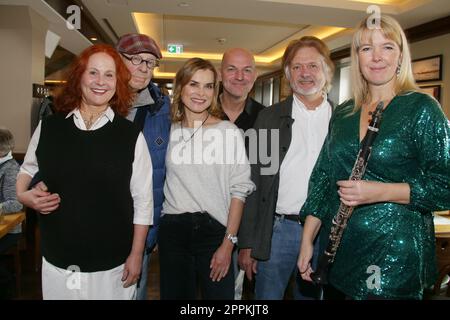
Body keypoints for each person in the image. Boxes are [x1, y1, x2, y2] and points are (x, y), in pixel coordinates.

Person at [298, 15, 450, 300]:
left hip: (394, 258)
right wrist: (307, 239)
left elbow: (446, 186)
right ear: (357, 57)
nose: (377, 57)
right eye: (367, 48)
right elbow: (322, 178)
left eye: (387, 47)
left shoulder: (421, 108)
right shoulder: (344, 112)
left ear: (401, 55)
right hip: (340, 254)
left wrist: (380, 191)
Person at [16, 44, 153, 300]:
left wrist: (136, 255)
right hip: (59, 260)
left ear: (118, 83)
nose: (100, 82)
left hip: (112, 265)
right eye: (93, 73)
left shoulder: (130, 136)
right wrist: (24, 195)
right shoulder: (50, 127)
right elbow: (27, 169)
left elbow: (143, 202)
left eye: (109, 75)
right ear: (79, 77)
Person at [238, 36, 335, 300]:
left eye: (313, 66)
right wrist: (248, 243)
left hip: (325, 234)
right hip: (278, 232)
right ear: (287, 74)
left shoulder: (343, 119)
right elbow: (254, 182)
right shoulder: (268, 118)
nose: (305, 73)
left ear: (326, 69)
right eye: (297, 67)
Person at [158, 58, 255, 299]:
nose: (201, 93)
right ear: (181, 88)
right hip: (173, 231)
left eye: (209, 86)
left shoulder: (228, 132)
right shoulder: (168, 131)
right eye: (194, 84)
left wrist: (228, 243)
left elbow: (239, 191)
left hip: (214, 233)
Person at [116, 33, 171, 300]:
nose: (143, 68)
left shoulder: (163, 108)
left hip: (141, 228)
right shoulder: (96, 101)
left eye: (150, 63)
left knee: (134, 294)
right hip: (96, 223)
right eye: (136, 59)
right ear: (118, 60)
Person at [218, 47, 265, 300]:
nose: (239, 76)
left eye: (247, 70)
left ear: (255, 75)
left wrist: (249, 241)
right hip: (205, 222)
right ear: (220, 74)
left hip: (247, 224)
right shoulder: (201, 112)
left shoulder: (266, 118)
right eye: (232, 69)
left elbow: (265, 183)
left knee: (238, 294)